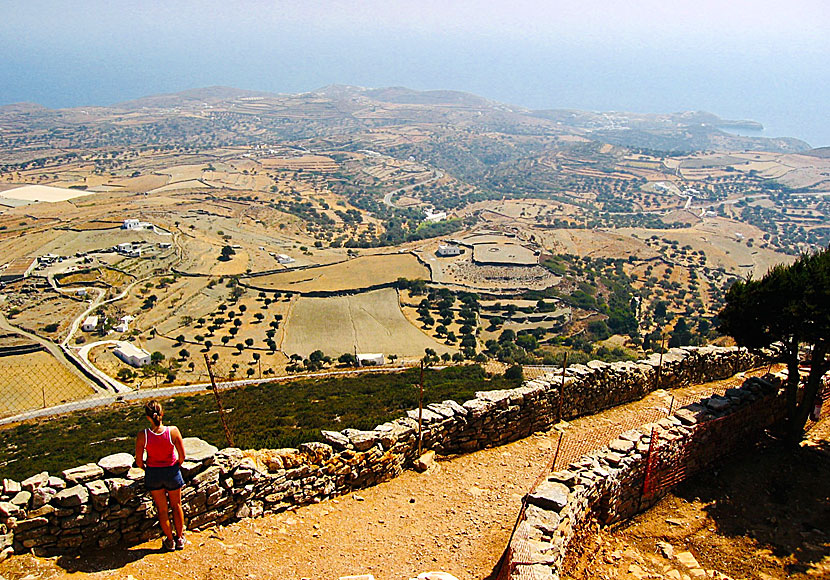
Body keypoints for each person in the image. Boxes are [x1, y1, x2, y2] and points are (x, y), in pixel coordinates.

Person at [135, 400, 188, 551]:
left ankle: (169, 540)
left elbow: (139, 461)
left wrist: (147, 468)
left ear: (148, 417)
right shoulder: (173, 431)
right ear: (162, 413)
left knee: (162, 509)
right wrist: (175, 465)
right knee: (177, 505)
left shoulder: (143, 435)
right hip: (171, 471)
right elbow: (182, 456)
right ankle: (180, 538)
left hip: (154, 473)